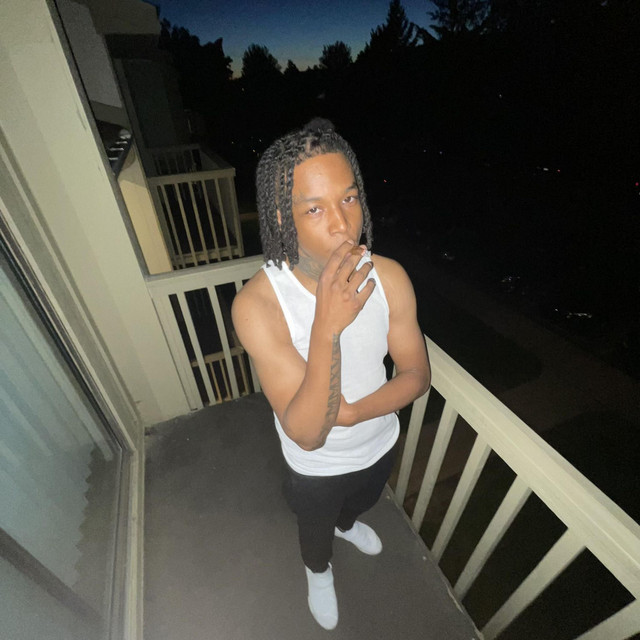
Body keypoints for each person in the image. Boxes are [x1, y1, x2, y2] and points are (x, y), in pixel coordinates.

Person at [231, 118, 430, 630]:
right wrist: (327, 325)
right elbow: (307, 431)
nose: (343, 224)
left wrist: (357, 413)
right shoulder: (259, 305)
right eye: (315, 208)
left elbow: (416, 374)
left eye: (349, 198)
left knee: (360, 503)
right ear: (283, 216)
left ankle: (348, 524)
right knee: (314, 530)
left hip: (379, 440)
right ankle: (318, 572)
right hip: (315, 466)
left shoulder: (389, 277)